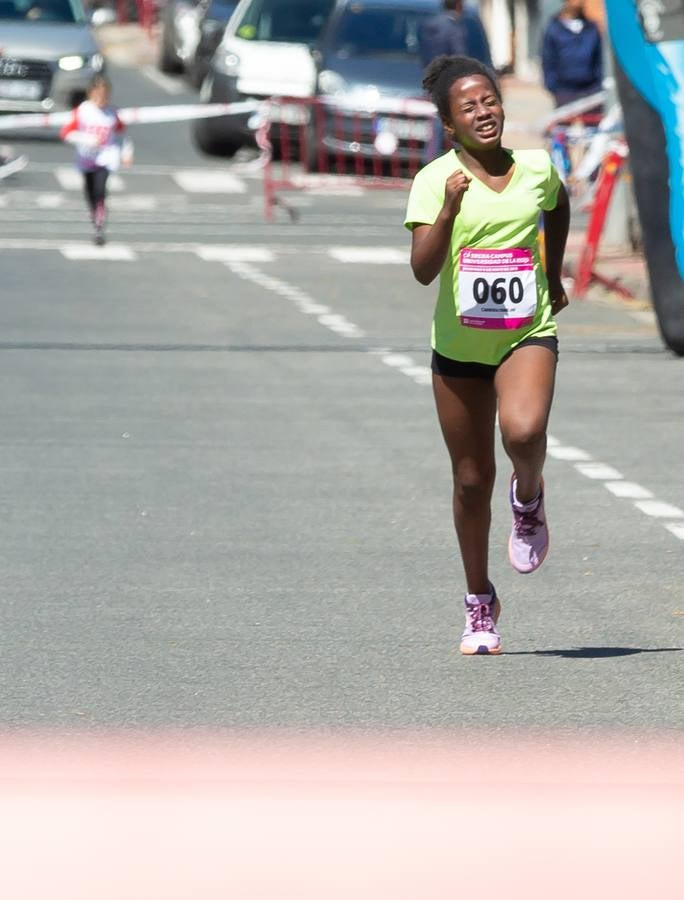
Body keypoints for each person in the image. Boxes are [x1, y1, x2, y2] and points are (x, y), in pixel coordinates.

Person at [404, 55, 570, 655]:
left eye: (489, 101)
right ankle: (479, 600)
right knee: (471, 481)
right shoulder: (433, 179)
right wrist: (449, 207)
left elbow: (559, 203)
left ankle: (529, 496)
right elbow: (423, 271)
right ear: (450, 125)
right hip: (458, 348)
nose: (484, 112)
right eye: (468, 107)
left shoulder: (535, 168)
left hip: (526, 331)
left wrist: (551, 273)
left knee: (523, 433)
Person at [59, 74, 129, 246]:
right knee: (90, 191)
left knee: (100, 190)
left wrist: (127, 152)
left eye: (104, 96)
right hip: (86, 158)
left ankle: (99, 226)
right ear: (90, 94)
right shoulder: (83, 111)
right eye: (97, 96)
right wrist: (86, 139)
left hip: (105, 158)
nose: (101, 100)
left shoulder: (112, 113)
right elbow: (66, 134)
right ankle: (94, 214)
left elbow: (121, 135)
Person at [418, 0, 492, 161]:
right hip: (451, 82)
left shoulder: (429, 25)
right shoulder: (454, 28)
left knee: (437, 123)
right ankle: (468, 160)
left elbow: (424, 54)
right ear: (459, 6)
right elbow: (459, 58)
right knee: (457, 123)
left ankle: (429, 159)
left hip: (433, 79)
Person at [541, 1, 603, 110]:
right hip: (564, 92)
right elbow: (548, 60)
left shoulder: (591, 29)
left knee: (592, 126)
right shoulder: (554, 29)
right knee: (564, 126)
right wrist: (554, 88)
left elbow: (598, 61)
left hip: (590, 92)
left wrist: (596, 87)